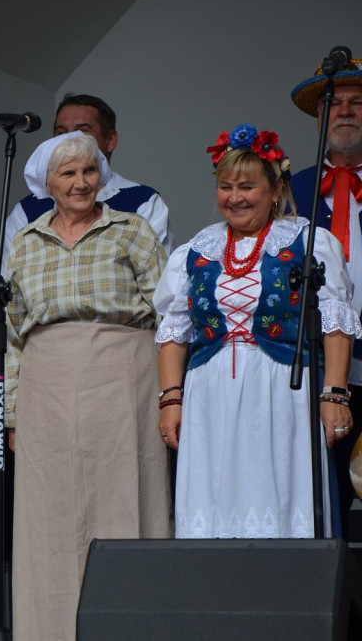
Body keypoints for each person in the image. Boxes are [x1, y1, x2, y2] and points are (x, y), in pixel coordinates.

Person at [154, 123, 359, 540]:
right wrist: (170, 400)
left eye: (246, 186)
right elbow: (175, 333)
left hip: (285, 388)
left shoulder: (309, 242)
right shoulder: (194, 251)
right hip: (209, 394)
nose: (234, 197)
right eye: (226, 186)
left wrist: (334, 394)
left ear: (275, 189)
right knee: (213, 499)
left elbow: (336, 323)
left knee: (282, 492)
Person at [4, 131, 170, 641]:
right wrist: (10, 415)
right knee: (50, 515)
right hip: (47, 384)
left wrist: (171, 394)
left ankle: (130, 626)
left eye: (89, 171)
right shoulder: (25, 241)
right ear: (47, 184)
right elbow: (14, 335)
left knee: (125, 497)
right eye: (68, 174)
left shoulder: (132, 230)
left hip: (125, 378)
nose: (81, 182)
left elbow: (169, 318)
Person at [290, 59, 362, 536]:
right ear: (319, 119)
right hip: (321, 361)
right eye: (334, 104)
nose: (345, 112)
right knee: (325, 493)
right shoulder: (291, 188)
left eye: (358, 103)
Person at [2, 93, 173, 273]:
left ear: (111, 140)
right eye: (61, 133)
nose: (69, 141)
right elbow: (10, 285)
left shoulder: (143, 203)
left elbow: (163, 288)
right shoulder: (26, 211)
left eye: (82, 131)